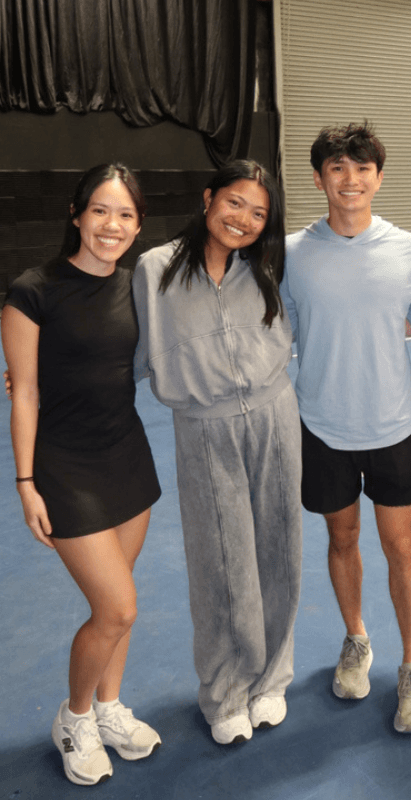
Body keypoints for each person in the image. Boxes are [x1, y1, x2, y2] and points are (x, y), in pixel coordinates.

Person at [281, 122, 411, 734]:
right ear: (319, 177)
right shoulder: (292, 253)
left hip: (393, 426)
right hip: (321, 427)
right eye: (337, 168)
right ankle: (356, 638)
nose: (350, 180)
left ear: (378, 177)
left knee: (401, 547)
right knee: (342, 539)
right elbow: (272, 328)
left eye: (362, 168)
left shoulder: (406, 247)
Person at [1, 164, 162, 786]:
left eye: (125, 215)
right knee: (117, 608)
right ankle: (73, 718)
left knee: (121, 601)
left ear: (138, 226)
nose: (111, 225)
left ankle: (108, 708)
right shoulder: (32, 291)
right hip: (65, 467)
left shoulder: (136, 288)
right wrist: (25, 483)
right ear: (76, 214)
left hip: (128, 457)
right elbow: (23, 392)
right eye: (100, 210)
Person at [132, 160, 302, 746]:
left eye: (258, 213)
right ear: (208, 198)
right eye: (234, 203)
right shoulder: (155, 269)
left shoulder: (267, 267)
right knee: (221, 561)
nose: (244, 220)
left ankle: (272, 678)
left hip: (276, 415)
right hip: (205, 427)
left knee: (280, 547)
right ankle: (227, 691)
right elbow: (122, 347)